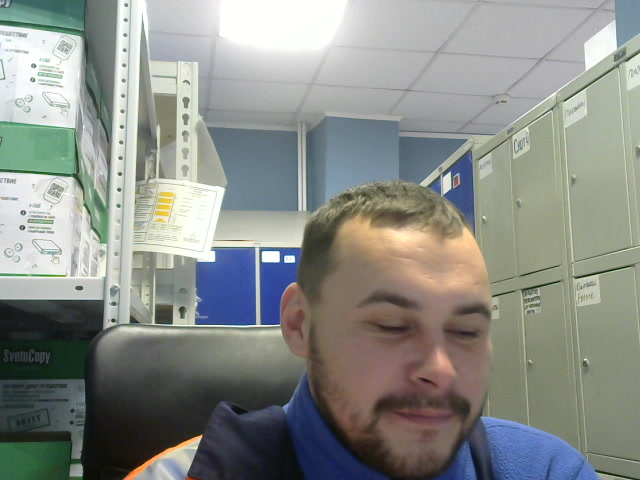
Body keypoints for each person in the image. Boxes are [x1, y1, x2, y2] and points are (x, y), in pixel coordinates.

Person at [126, 180, 598, 480]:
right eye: (391, 326)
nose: (441, 370)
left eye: (467, 331)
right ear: (299, 324)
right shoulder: (190, 475)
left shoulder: (546, 470)